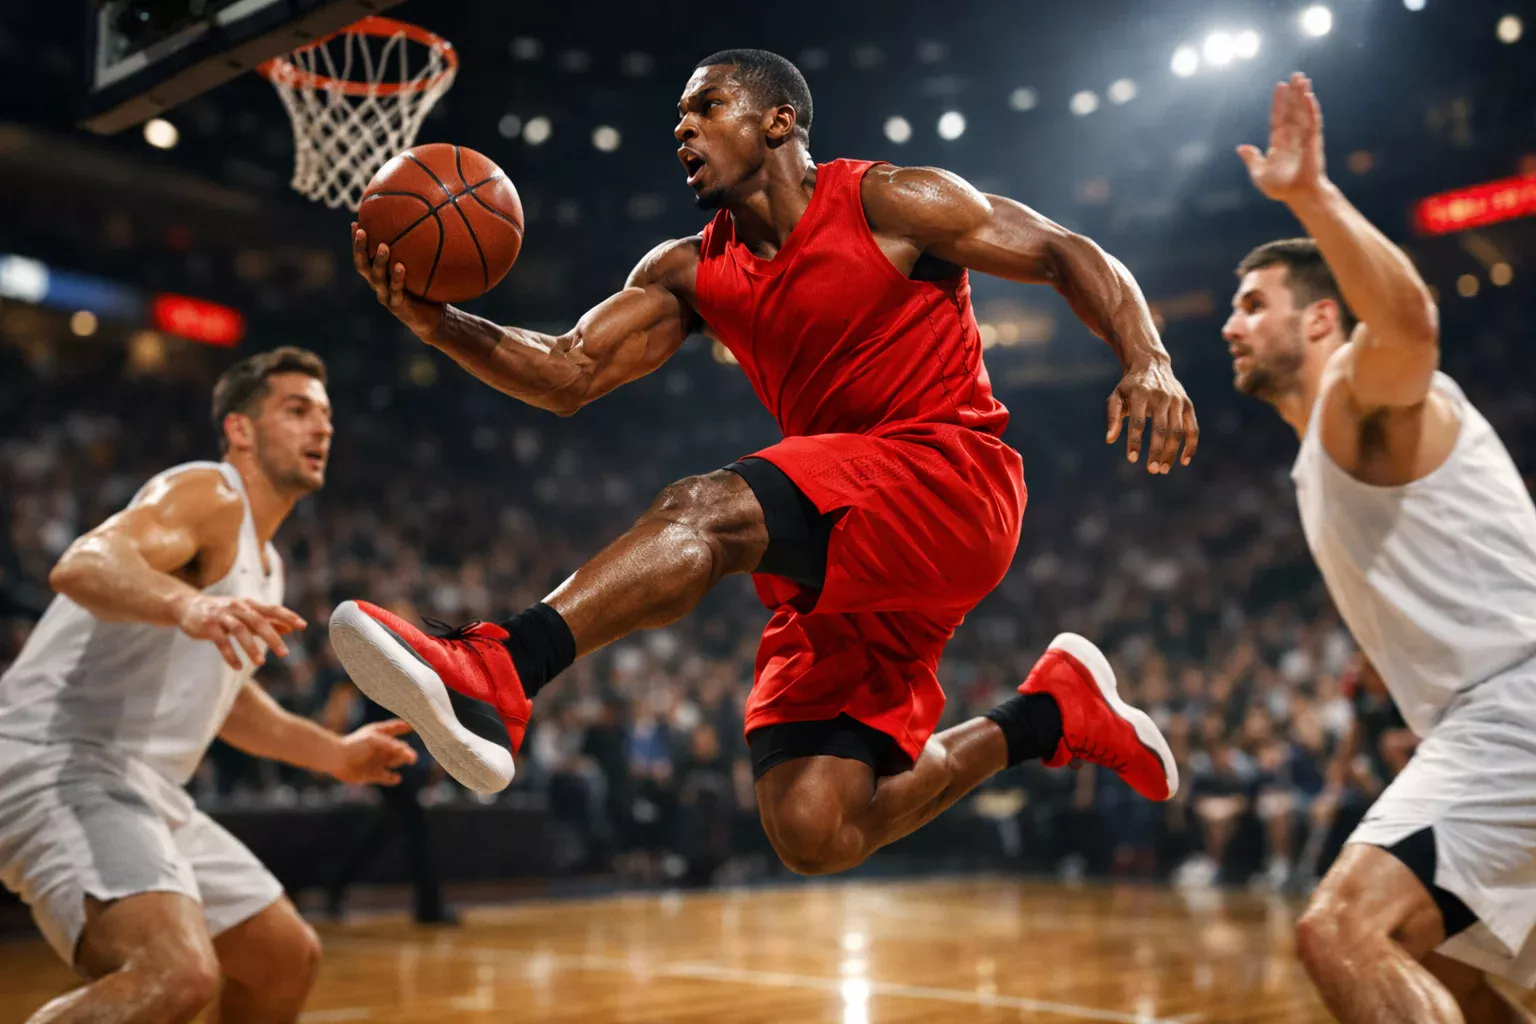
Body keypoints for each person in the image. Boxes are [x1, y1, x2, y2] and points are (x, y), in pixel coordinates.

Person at [332, 49, 1193, 878]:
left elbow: (1063, 251)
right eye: (678, 116)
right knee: (816, 829)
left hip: (950, 482)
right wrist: (440, 325)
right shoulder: (689, 270)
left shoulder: (890, 201)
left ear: (779, 120)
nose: (683, 129)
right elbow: (569, 372)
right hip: (847, 538)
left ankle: (506, 663)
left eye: (705, 106)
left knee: (707, 507)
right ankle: (1047, 716)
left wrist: (1145, 355)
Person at [1223, 73, 1536, 1023]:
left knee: (1342, 930)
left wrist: (1310, 197)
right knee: (1455, 985)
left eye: (1252, 303)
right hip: (1487, 723)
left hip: (1515, 710)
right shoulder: (1323, 449)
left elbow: (1410, 324)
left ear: (1320, 318)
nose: (1230, 324)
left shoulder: (1363, 395)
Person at [0, 348, 418, 1024]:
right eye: (297, 410)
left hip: (145, 790)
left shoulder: (269, 564)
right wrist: (188, 606)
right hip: (57, 761)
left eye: (327, 415)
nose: (322, 428)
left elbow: (229, 704)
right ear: (240, 430)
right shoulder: (209, 491)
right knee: (169, 975)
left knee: (284, 959)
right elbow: (82, 563)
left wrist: (334, 755)